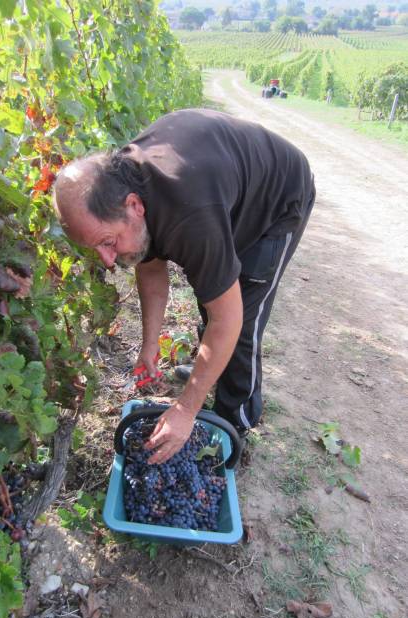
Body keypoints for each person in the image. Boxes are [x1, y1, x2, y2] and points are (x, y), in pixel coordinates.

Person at [53, 108, 315, 465]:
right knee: (215, 293)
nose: (107, 260)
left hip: (278, 200)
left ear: (133, 206)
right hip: (223, 190)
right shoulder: (129, 187)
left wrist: (186, 409)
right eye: (95, 248)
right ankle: (211, 375)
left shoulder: (191, 218)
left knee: (241, 322)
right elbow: (150, 268)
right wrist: (149, 346)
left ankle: (234, 426)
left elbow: (228, 319)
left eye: (108, 242)